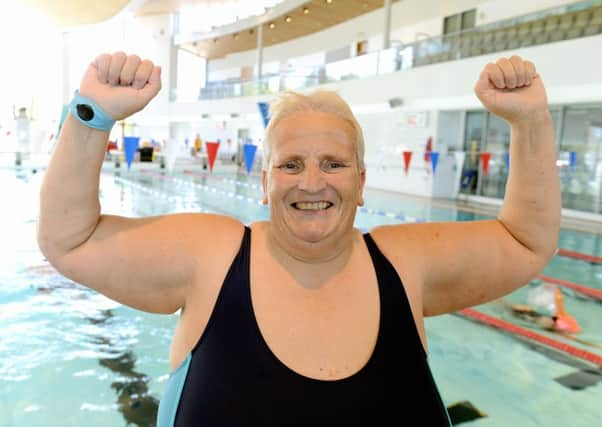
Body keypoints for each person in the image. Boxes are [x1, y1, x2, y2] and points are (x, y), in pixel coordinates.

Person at [37, 52, 560, 426]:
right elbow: (71, 241)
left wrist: (531, 121)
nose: (312, 182)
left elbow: (524, 242)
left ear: (360, 182)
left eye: (333, 163)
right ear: (264, 183)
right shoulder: (211, 256)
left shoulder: (404, 264)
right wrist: (91, 116)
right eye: (291, 164)